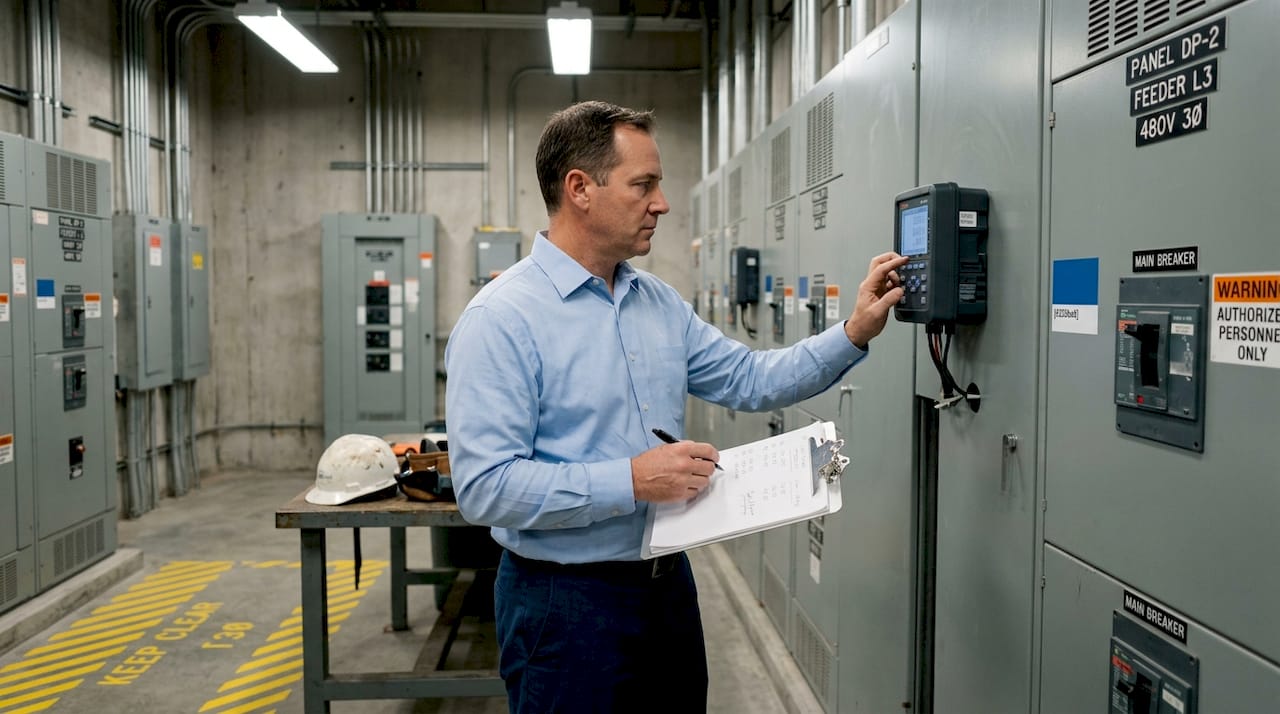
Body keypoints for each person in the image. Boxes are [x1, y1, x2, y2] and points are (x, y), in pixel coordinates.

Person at [444, 100, 907, 713]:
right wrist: (633, 480)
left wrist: (852, 332)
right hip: (563, 605)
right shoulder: (501, 320)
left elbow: (749, 378)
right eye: (644, 185)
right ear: (579, 188)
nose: (661, 203)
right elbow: (484, 488)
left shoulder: (655, 301)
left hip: (665, 589)